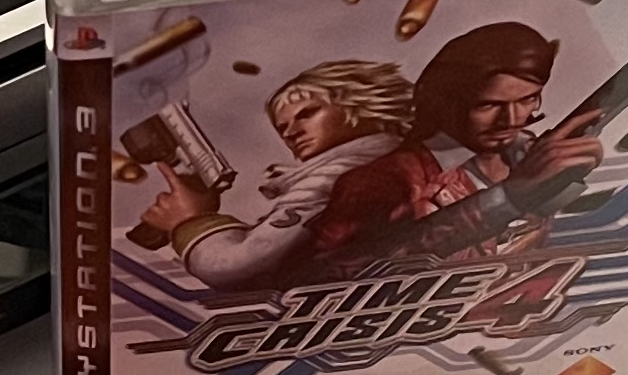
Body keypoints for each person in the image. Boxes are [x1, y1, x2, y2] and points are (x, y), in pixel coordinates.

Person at [138, 59, 471, 288]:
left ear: (359, 106)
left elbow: (238, 264)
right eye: (282, 127)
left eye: (307, 113)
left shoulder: (338, 175)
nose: (291, 132)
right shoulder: (406, 159)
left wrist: (188, 222)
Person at [408, 20, 601, 247]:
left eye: (527, 99)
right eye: (488, 105)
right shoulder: (397, 176)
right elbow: (385, 258)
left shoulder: (526, 153)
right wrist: (509, 196)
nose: (510, 120)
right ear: (445, 103)